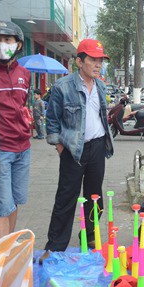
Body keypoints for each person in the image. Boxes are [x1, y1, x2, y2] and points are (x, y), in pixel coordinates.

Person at [44, 39, 114, 252]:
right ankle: (56, 245)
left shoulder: (100, 85)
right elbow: (52, 120)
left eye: (100, 60)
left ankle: (90, 235)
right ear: (79, 62)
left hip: (97, 147)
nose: (97, 65)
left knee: (95, 196)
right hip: (73, 150)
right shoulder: (62, 87)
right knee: (66, 197)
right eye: (93, 59)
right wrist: (59, 145)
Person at [0, 21, 31, 241]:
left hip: (24, 148)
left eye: (7, 40)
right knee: (1, 205)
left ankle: (9, 247)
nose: (2, 44)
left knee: (14, 201)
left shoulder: (25, 74)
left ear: (18, 44)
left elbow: (22, 105)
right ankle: (0, 256)